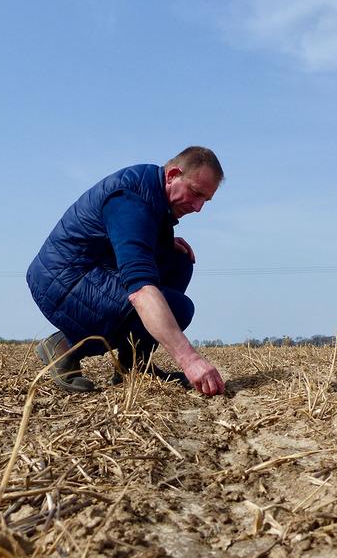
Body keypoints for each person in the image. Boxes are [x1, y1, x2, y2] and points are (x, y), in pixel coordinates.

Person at [27, 146, 225, 396]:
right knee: (178, 307)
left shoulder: (153, 193)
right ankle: (65, 346)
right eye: (195, 193)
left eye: (205, 200)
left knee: (178, 260)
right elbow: (140, 288)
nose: (198, 207)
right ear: (173, 174)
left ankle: (133, 365)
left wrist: (162, 242)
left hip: (90, 270)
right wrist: (191, 361)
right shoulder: (131, 199)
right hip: (63, 279)